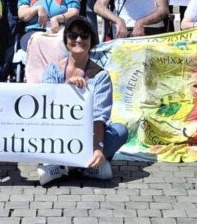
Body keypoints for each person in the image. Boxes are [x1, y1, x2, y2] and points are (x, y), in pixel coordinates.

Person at [37, 15, 129, 185]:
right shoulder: (53, 69)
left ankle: (68, 166)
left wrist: (98, 148)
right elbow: (47, 107)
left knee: (120, 131)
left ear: (91, 40)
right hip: (59, 133)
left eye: (84, 36)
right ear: (66, 41)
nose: (78, 39)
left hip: (88, 135)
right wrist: (66, 88)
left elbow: (99, 117)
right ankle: (83, 166)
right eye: (72, 35)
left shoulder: (101, 76)